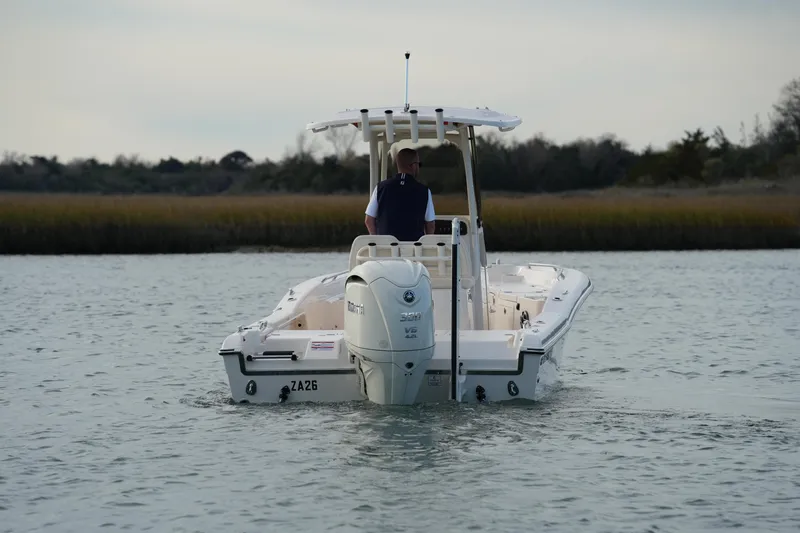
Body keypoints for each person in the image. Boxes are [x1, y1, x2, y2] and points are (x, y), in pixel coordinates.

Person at [364, 148, 436, 241]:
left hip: (385, 251)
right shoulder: (424, 191)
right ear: (413, 166)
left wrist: (377, 242)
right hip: (414, 251)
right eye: (419, 164)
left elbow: (369, 220)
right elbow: (430, 225)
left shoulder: (380, 188)